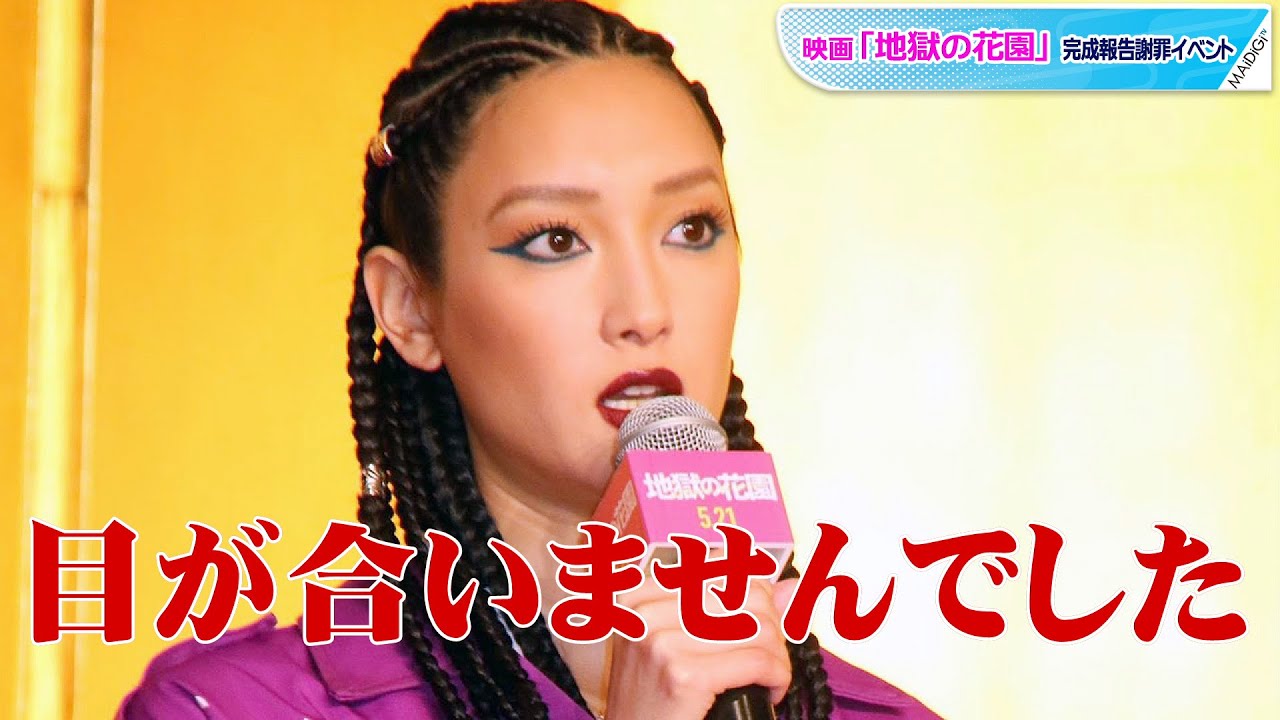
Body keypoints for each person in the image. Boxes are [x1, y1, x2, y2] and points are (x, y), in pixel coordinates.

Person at [116, 1, 942, 717]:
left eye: (691, 229)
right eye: (555, 240)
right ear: (410, 309)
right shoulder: (235, 707)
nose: (645, 311)